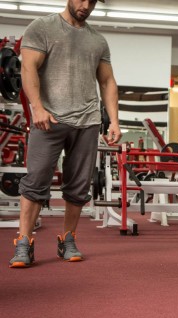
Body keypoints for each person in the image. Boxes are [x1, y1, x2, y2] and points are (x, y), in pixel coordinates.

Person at [9, 0, 121, 268]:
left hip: (87, 121)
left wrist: (114, 120)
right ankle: (24, 241)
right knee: (36, 181)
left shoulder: (98, 40)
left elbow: (107, 81)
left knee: (79, 185)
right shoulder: (42, 27)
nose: (86, 5)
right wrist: (37, 107)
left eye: (92, 1)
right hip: (49, 119)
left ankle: (68, 238)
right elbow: (28, 68)